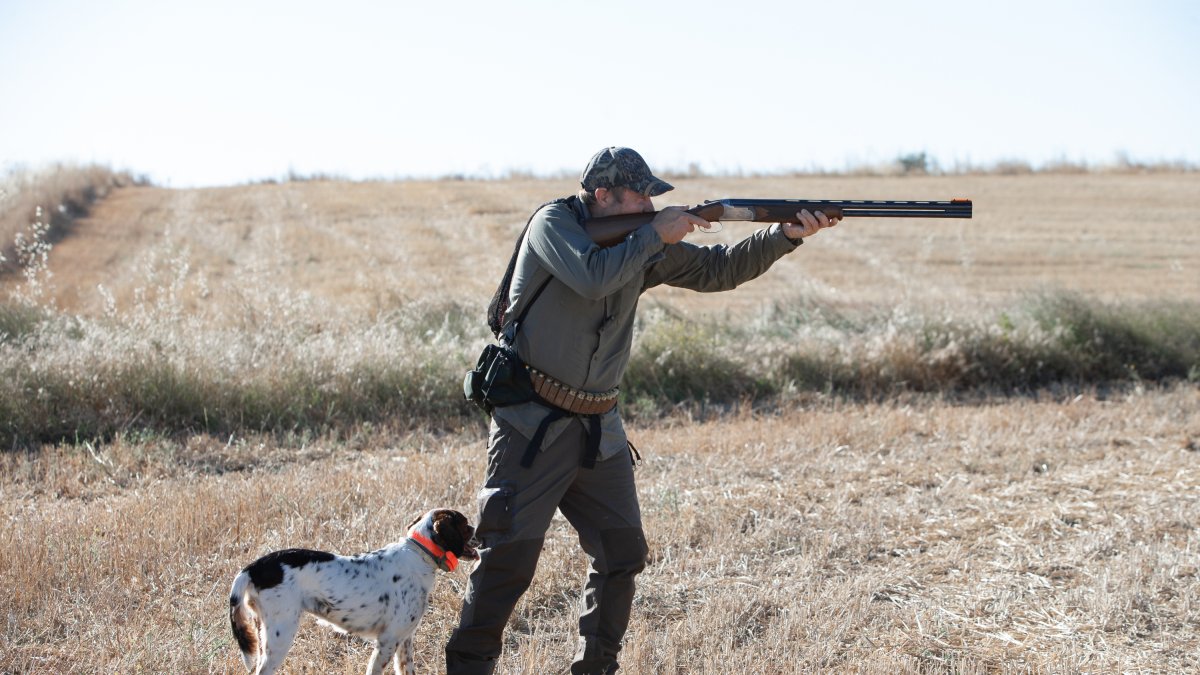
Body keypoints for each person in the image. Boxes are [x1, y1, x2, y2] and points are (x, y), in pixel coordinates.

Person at [446, 147, 839, 674]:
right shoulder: (553, 223)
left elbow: (718, 270)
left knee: (621, 556)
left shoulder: (638, 241)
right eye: (639, 194)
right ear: (603, 194)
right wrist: (656, 235)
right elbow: (593, 276)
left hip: (599, 428)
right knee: (506, 564)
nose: (650, 204)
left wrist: (786, 235)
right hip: (531, 425)